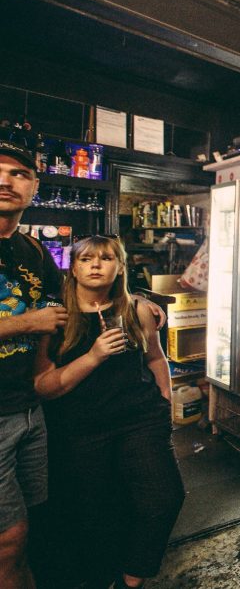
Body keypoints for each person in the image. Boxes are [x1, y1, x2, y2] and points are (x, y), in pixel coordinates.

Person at [33, 236, 183, 589]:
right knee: (96, 513)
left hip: (140, 420)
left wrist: (165, 401)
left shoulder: (137, 310)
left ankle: (132, 578)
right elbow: (43, 385)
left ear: (120, 267)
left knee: (164, 497)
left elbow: (155, 359)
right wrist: (94, 356)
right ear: (73, 268)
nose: (96, 265)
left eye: (106, 258)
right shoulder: (55, 317)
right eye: (86, 259)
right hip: (81, 429)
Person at [0, 127, 68, 589]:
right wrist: (26, 324)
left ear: (35, 187)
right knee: (9, 539)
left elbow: (55, 311)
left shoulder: (34, 251)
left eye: (19, 174)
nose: (6, 181)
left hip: (28, 409)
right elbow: (37, 319)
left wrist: (135, 301)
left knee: (27, 532)